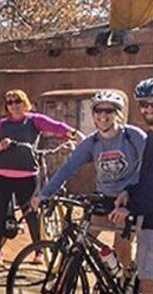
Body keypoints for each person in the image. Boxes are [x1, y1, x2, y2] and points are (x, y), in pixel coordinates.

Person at [34, 91, 145, 273]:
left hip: (128, 200)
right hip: (104, 198)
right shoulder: (92, 142)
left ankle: (129, 281)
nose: (103, 116)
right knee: (82, 241)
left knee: (122, 247)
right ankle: (103, 275)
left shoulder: (133, 137)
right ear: (93, 114)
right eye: (98, 111)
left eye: (108, 111)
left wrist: (131, 191)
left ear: (117, 113)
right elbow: (67, 168)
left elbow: (147, 167)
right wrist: (45, 193)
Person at [0, 89, 82, 265]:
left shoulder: (34, 120)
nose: (14, 105)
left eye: (18, 101)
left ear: (25, 103)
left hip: (27, 175)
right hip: (1, 175)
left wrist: (75, 135)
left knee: (32, 212)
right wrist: (1, 145)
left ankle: (38, 250)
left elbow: (56, 127)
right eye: (10, 103)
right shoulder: (3, 124)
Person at [110, 78, 153, 294]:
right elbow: (146, 178)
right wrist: (129, 192)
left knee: (149, 279)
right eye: (144, 104)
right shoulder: (152, 136)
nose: (150, 108)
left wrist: (132, 210)